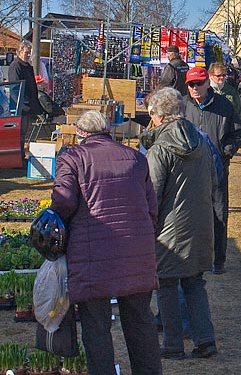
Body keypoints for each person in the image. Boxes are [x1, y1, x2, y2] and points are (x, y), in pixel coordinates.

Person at [49, 110, 162, 375]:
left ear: (80, 133)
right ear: (107, 130)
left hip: (93, 254)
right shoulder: (136, 158)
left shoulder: (73, 157)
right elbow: (152, 209)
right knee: (140, 322)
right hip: (136, 252)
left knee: (96, 327)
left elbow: (64, 201)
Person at [141, 87, 219, 360]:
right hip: (200, 222)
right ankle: (205, 340)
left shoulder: (160, 149)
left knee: (166, 284)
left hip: (170, 228)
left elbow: (151, 192)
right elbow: (215, 179)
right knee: (194, 282)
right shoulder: (202, 141)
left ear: (159, 116)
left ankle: (173, 343)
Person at [183, 66, 241, 275]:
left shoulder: (224, 106)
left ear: (207, 84)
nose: (194, 88)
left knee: (218, 214)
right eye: (190, 85)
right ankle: (192, 258)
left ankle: (218, 260)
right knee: (188, 214)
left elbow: (238, 132)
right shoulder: (183, 106)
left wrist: (226, 152)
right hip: (189, 170)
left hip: (216, 169)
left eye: (198, 84)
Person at [8, 40, 43, 139]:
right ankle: (20, 154)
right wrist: (24, 104)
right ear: (20, 52)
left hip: (28, 105)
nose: (28, 55)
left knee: (24, 133)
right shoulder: (16, 66)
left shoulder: (27, 66)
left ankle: (22, 153)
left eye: (29, 53)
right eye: (26, 53)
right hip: (20, 107)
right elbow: (15, 88)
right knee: (19, 134)